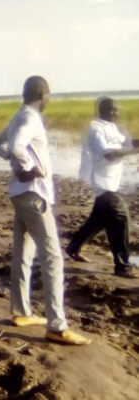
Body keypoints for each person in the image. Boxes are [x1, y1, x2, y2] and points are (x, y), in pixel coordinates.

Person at [0, 76, 90, 346]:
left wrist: (15, 163)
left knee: (24, 252)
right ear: (42, 94)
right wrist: (26, 168)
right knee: (53, 258)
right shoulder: (31, 118)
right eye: (49, 95)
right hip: (34, 195)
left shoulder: (18, 116)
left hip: (22, 195)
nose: (50, 99)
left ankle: (22, 312)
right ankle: (57, 326)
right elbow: (14, 147)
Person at [66, 98, 139, 277]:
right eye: (116, 110)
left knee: (99, 219)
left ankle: (73, 248)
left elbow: (125, 144)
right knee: (120, 217)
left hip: (111, 184)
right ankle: (123, 266)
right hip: (102, 183)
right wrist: (133, 151)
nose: (119, 113)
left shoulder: (111, 128)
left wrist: (136, 144)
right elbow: (109, 154)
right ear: (108, 111)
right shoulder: (96, 129)